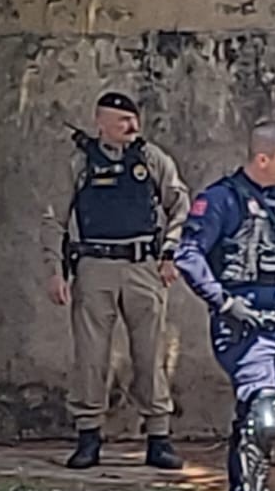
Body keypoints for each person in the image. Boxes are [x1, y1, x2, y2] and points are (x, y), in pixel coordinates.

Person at [175, 119, 275, 491]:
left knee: (253, 417)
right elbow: (189, 254)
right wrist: (223, 301)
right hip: (242, 323)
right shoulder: (221, 200)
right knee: (263, 413)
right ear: (263, 158)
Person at [41, 91, 191, 470]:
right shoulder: (79, 164)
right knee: (91, 357)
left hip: (143, 266)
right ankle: (89, 435)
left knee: (150, 355)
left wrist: (170, 252)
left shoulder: (151, 159)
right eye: (122, 120)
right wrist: (55, 271)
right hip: (95, 265)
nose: (132, 127)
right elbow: (54, 219)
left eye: (134, 119)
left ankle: (159, 436)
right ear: (101, 122)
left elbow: (180, 205)